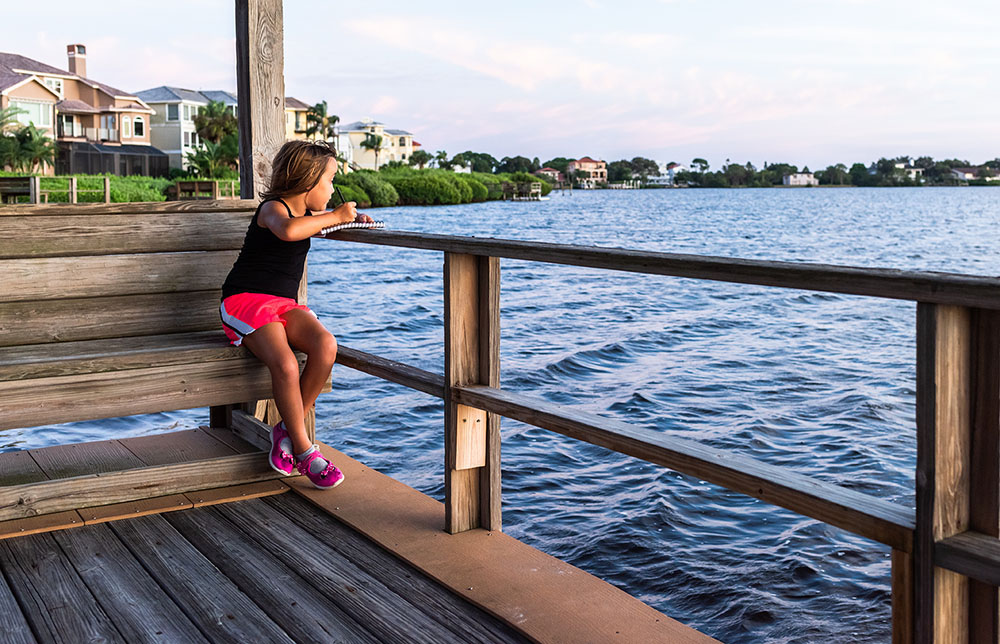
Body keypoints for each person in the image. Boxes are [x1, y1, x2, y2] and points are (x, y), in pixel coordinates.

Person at [219, 140, 373, 489]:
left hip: (283, 305)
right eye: (330, 179)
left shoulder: (307, 216)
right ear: (308, 180)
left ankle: (287, 430)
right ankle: (305, 451)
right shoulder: (273, 209)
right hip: (245, 302)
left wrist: (352, 222)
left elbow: (316, 225)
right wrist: (335, 216)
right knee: (287, 364)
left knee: (326, 346)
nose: (333, 188)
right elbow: (288, 230)